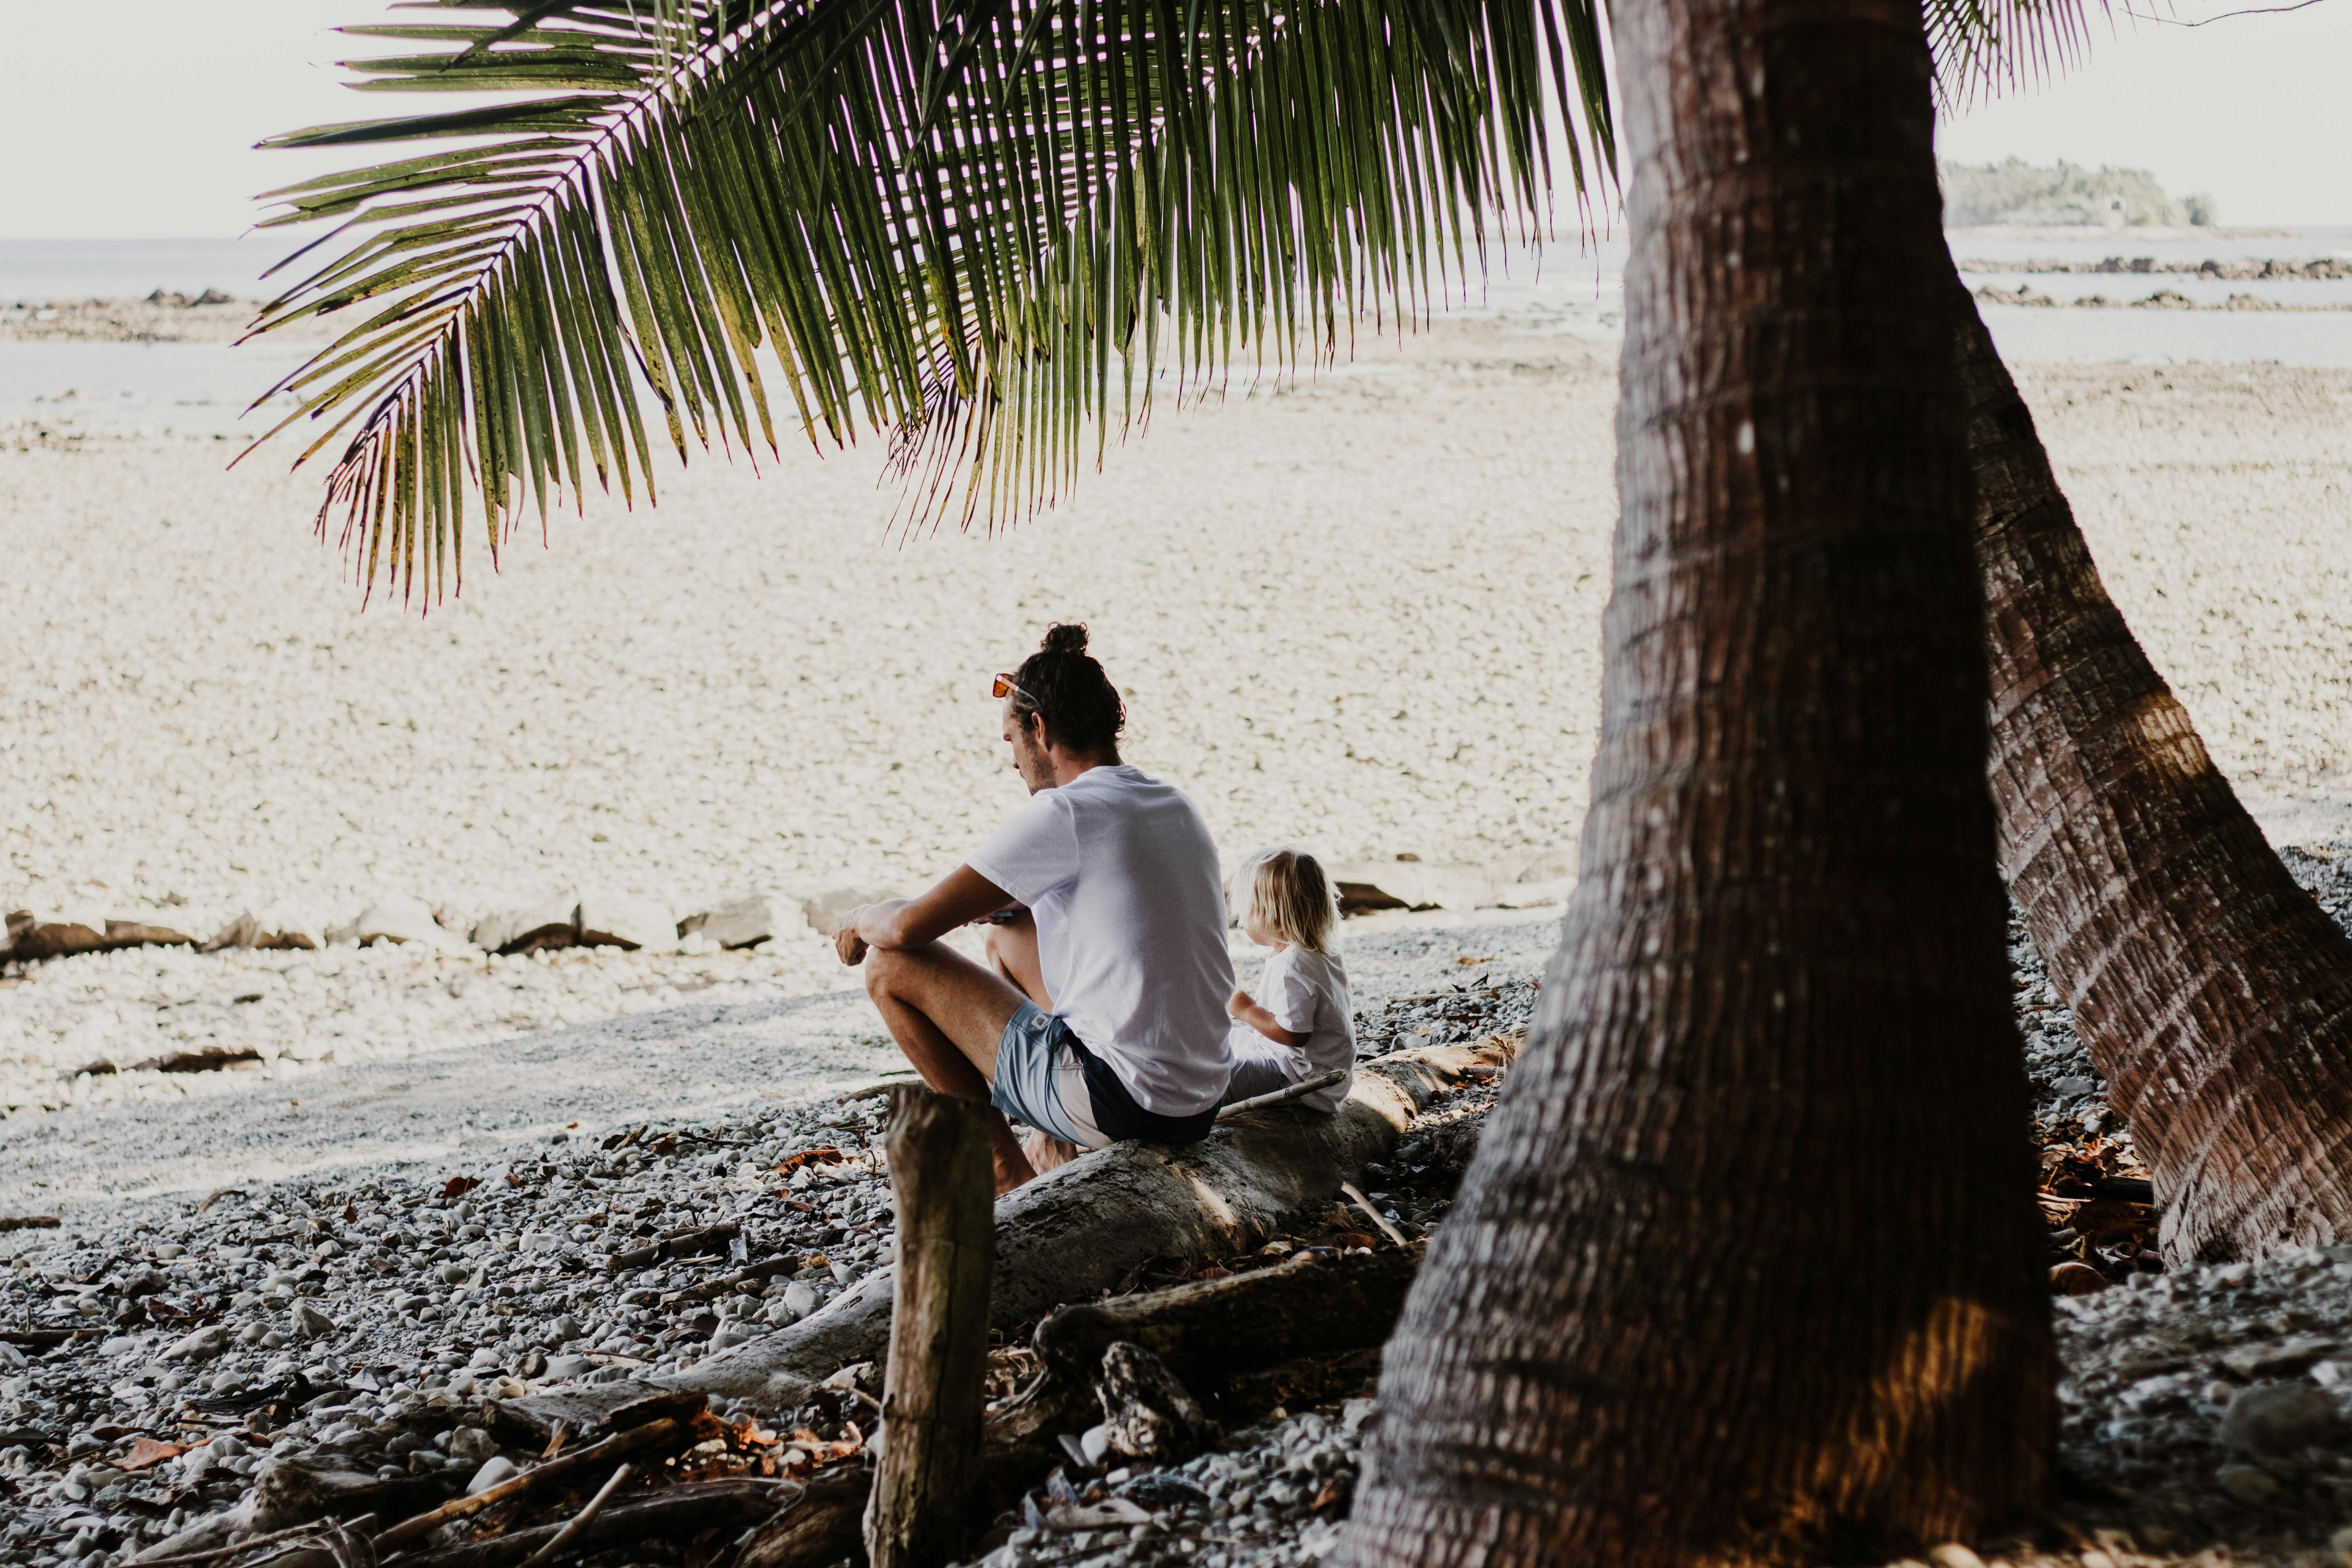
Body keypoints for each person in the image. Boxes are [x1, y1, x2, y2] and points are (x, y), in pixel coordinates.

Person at [832, 624, 1236, 1193]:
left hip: (1124, 1101)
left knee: (890, 966)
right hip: (1197, 1102)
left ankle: (1007, 1177)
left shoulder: (1063, 813)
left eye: (1011, 742)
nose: (1013, 761)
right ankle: (1054, 1138)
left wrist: (859, 917)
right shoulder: (1172, 803)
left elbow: (905, 927)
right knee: (1011, 930)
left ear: (1040, 730)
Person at [1219, 847, 1356, 1113]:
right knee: (1222, 1041)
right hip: (1319, 1073)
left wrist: (1247, 1011)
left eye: (1246, 912)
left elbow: (1293, 1034)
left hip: (1301, 1081)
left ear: (1273, 917)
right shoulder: (1317, 951)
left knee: (1215, 1076)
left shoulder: (1293, 967)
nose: (1242, 922)